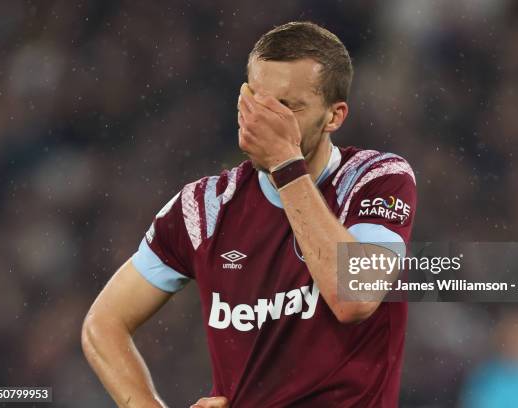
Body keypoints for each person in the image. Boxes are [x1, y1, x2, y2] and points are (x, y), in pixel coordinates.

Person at [81, 21, 417, 407]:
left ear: (334, 116)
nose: (264, 119)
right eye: (256, 100)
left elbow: (356, 298)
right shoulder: (202, 208)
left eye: (287, 106)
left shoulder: (374, 179)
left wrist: (286, 165)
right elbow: (103, 325)